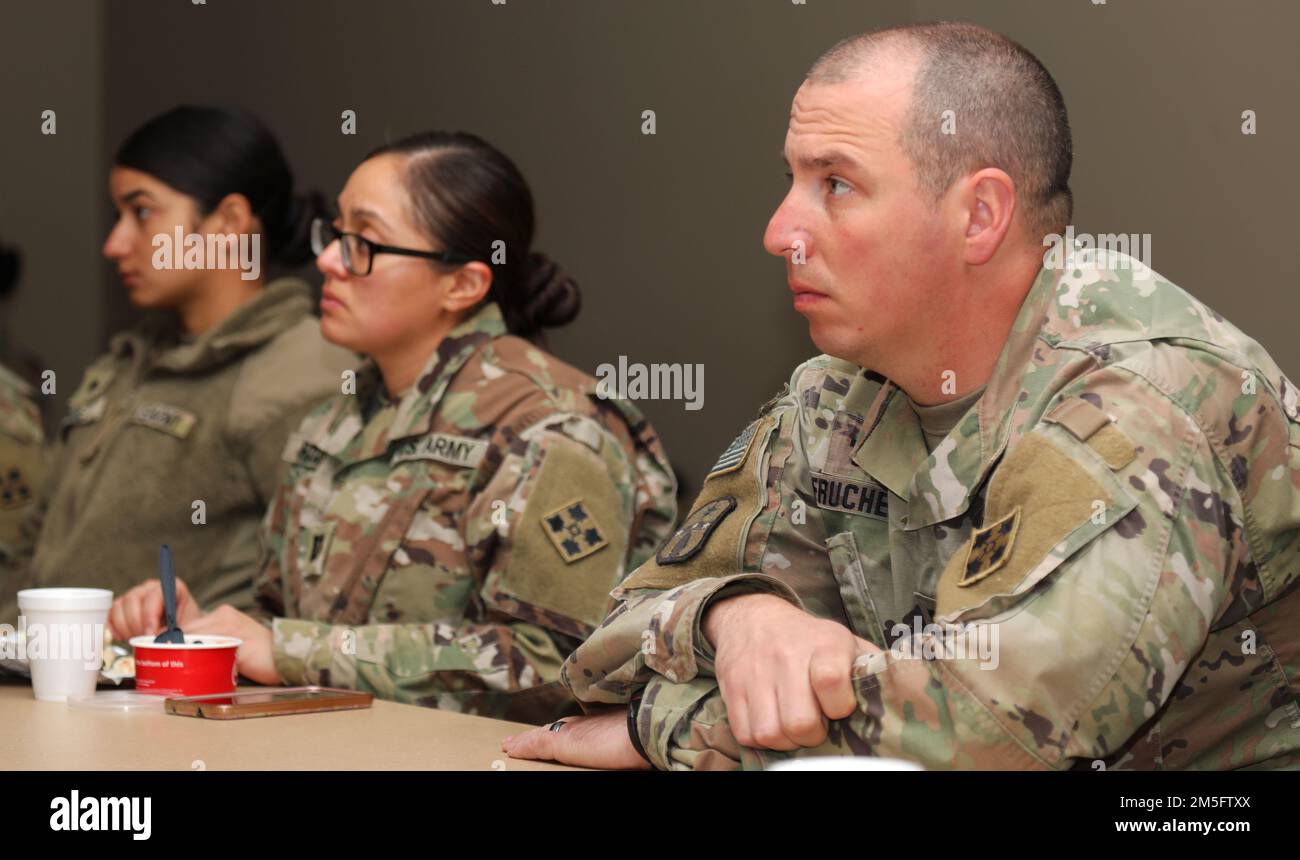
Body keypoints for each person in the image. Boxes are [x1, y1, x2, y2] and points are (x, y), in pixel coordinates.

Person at [503, 22, 1300, 769]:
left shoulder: (1141, 398)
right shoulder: (840, 394)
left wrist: (660, 732)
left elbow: (988, 733)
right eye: (793, 179)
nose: (780, 231)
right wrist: (738, 618)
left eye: (837, 184)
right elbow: (605, 645)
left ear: (979, 216)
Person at [110, 131, 678, 723]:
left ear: (462, 284)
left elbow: (559, 664)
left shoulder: (550, 427)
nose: (328, 259)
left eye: (364, 242)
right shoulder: (332, 421)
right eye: (334, 234)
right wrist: (210, 633)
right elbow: (287, 625)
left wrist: (288, 651)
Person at [0, 106, 355, 624]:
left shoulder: (296, 368)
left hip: (174, 693)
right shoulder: (129, 363)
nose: (115, 243)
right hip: (52, 681)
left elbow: (318, 593)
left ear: (230, 221)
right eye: (117, 215)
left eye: (141, 212)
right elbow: (34, 542)